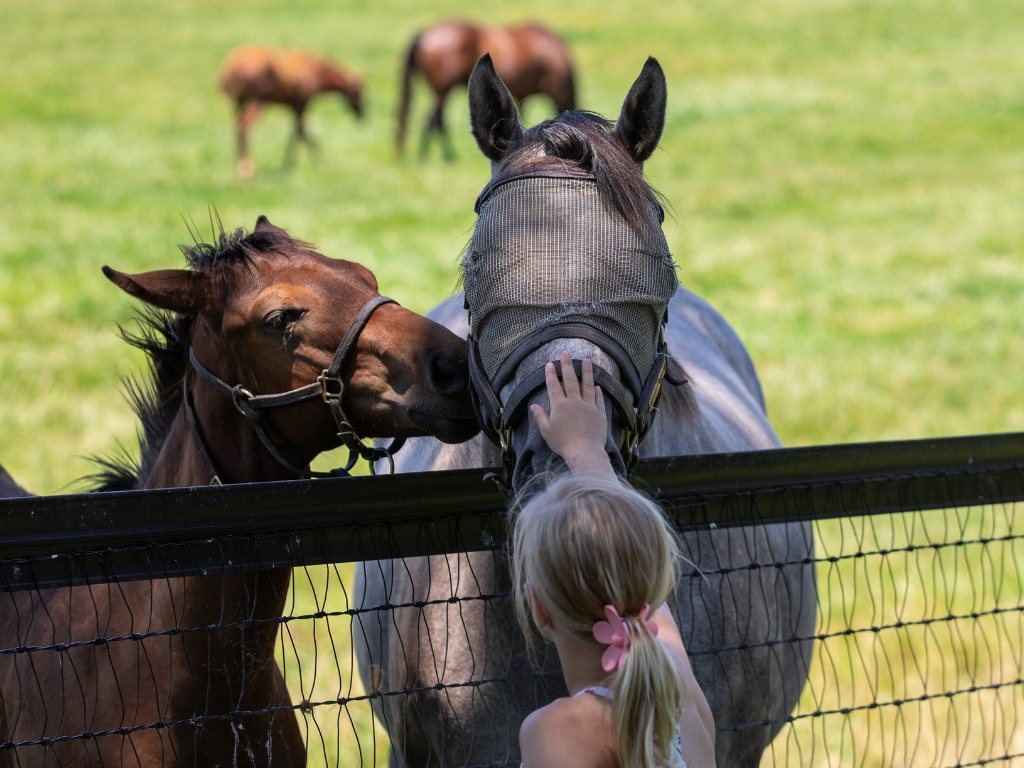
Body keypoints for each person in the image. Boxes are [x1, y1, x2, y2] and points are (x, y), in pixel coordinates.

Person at [512, 351, 716, 768]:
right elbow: (627, 552)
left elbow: (629, 556)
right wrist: (588, 450)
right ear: (660, 587)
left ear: (538, 608)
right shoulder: (685, 706)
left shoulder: (553, 732)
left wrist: (580, 446)